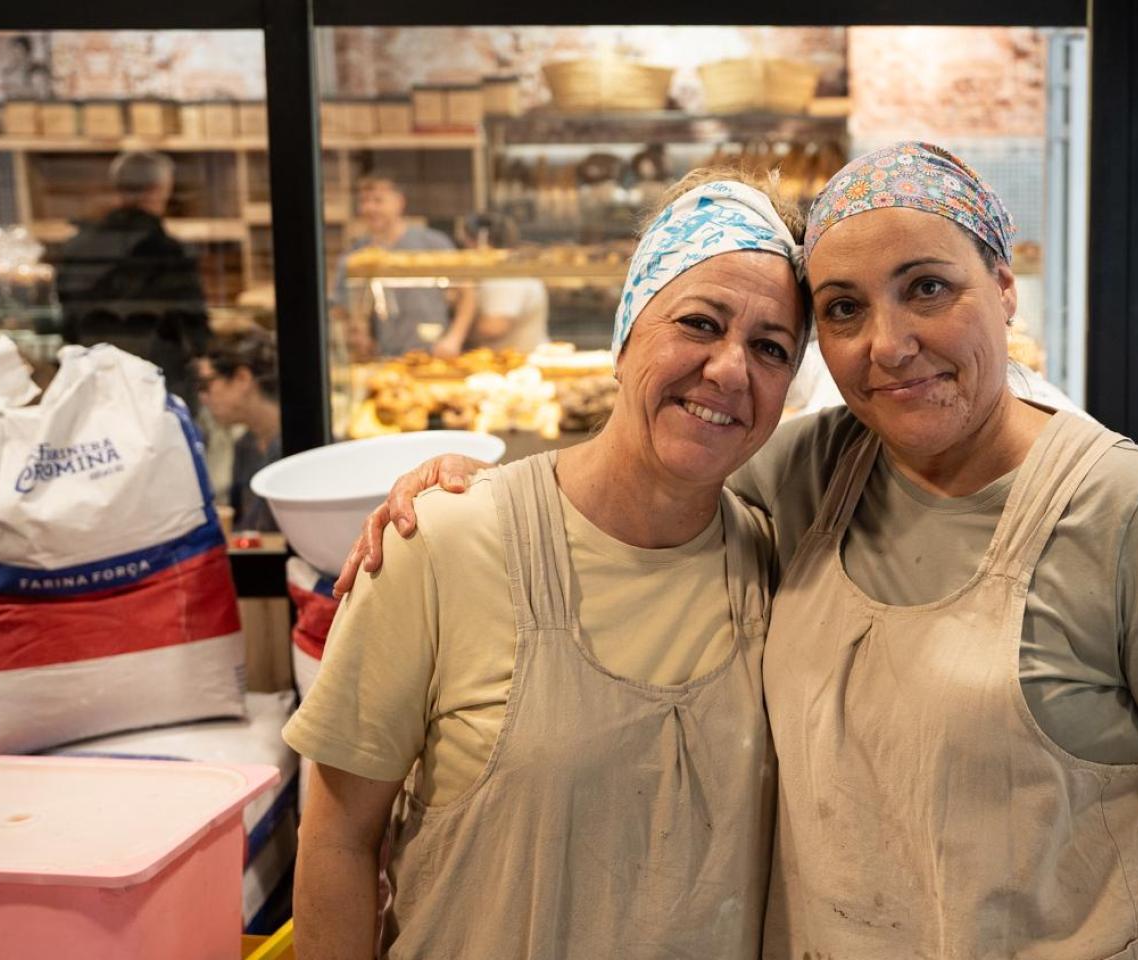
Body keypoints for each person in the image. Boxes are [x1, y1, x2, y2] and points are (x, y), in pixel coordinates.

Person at [337, 142, 1138, 960]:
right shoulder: (810, 473)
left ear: (1004, 291)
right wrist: (471, 483)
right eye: (842, 309)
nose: (888, 344)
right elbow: (647, 481)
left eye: (928, 288)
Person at [284, 170, 807, 959]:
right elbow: (335, 845)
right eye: (699, 323)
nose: (731, 369)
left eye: (770, 349)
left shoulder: (783, 570)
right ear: (626, 333)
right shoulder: (445, 543)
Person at [54, 150, 209, 412]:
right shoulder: (168, 251)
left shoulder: (77, 247)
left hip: (94, 381)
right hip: (157, 382)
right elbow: (193, 323)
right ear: (161, 189)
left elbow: (68, 321)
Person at [328, 174, 470, 359]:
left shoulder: (433, 242)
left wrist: (454, 338)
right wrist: (355, 330)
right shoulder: (355, 257)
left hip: (434, 353)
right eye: (364, 201)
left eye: (378, 201)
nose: (370, 208)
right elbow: (340, 308)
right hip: (382, 358)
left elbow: (467, 294)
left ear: (399, 203)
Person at [193, 328, 281, 533]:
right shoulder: (245, 445)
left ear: (242, 378)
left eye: (207, 385)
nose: (202, 397)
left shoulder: (297, 445)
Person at [433, 212, 547, 358]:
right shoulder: (497, 271)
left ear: (478, 241)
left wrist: (459, 325)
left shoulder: (504, 274)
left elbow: (493, 328)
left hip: (519, 367)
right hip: (504, 365)